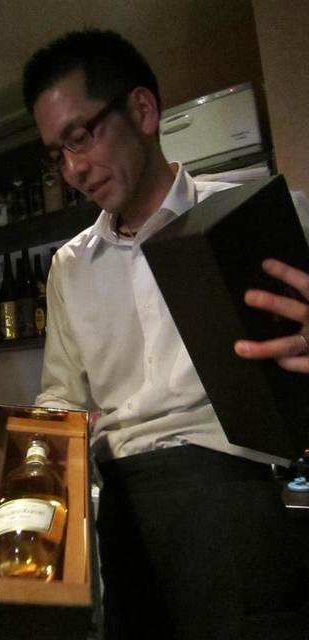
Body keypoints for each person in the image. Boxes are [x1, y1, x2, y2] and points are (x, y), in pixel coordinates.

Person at [23, 29, 309, 639]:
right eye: (57, 154)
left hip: (231, 494)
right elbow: (61, 401)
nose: (73, 169)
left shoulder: (252, 212)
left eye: (81, 136)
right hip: (122, 509)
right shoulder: (70, 266)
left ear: (143, 110)